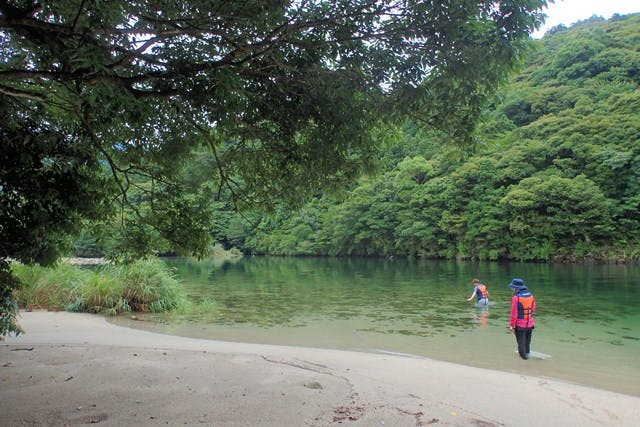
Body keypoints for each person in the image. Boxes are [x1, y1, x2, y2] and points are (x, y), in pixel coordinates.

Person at [508, 278, 537, 360]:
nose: (512, 289)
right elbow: (534, 308)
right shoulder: (531, 295)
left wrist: (512, 325)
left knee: (521, 343)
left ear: (516, 288)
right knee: (527, 343)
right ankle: (527, 354)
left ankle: (524, 361)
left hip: (520, 325)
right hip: (530, 323)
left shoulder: (516, 298)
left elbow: (514, 314)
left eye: (513, 288)